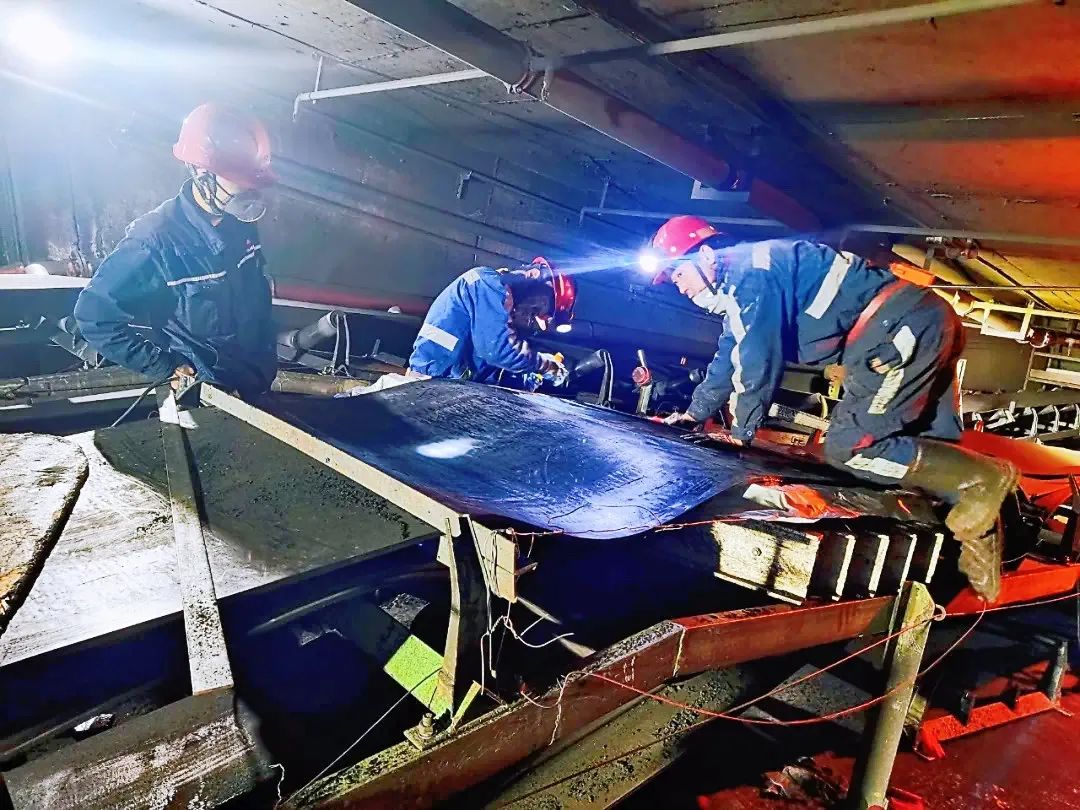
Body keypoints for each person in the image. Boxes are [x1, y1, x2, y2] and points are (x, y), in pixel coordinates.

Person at [645, 215, 1018, 602]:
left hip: (896, 332)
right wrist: (695, 414)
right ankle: (980, 556)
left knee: (851, 448)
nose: (678, 286)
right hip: (919, 320)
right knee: (929, 459)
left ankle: (987, 478)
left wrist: (739, 436)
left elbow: (756, 364)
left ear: (706, 255)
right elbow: (731, 355)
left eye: (678, 274)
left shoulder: (749, 275)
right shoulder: (748, 276)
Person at [74, 103, 278, 398]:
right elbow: (93, 316)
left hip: (252, 383)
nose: (249, 192)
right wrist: (164, 366)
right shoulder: (155, 240)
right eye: (240, 180)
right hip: (206, 397)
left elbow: (257, 303)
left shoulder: (239, 224)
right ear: (202, 172)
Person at [408, 257, 575, 388]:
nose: (533, 318)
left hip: (449, 385)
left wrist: (529, 378)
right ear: (533, 277)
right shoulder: (487, 283)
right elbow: (498, 352)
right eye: (538, 308)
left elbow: (490, 369)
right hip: (430, 383)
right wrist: (545, 365)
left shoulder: (497, 309)